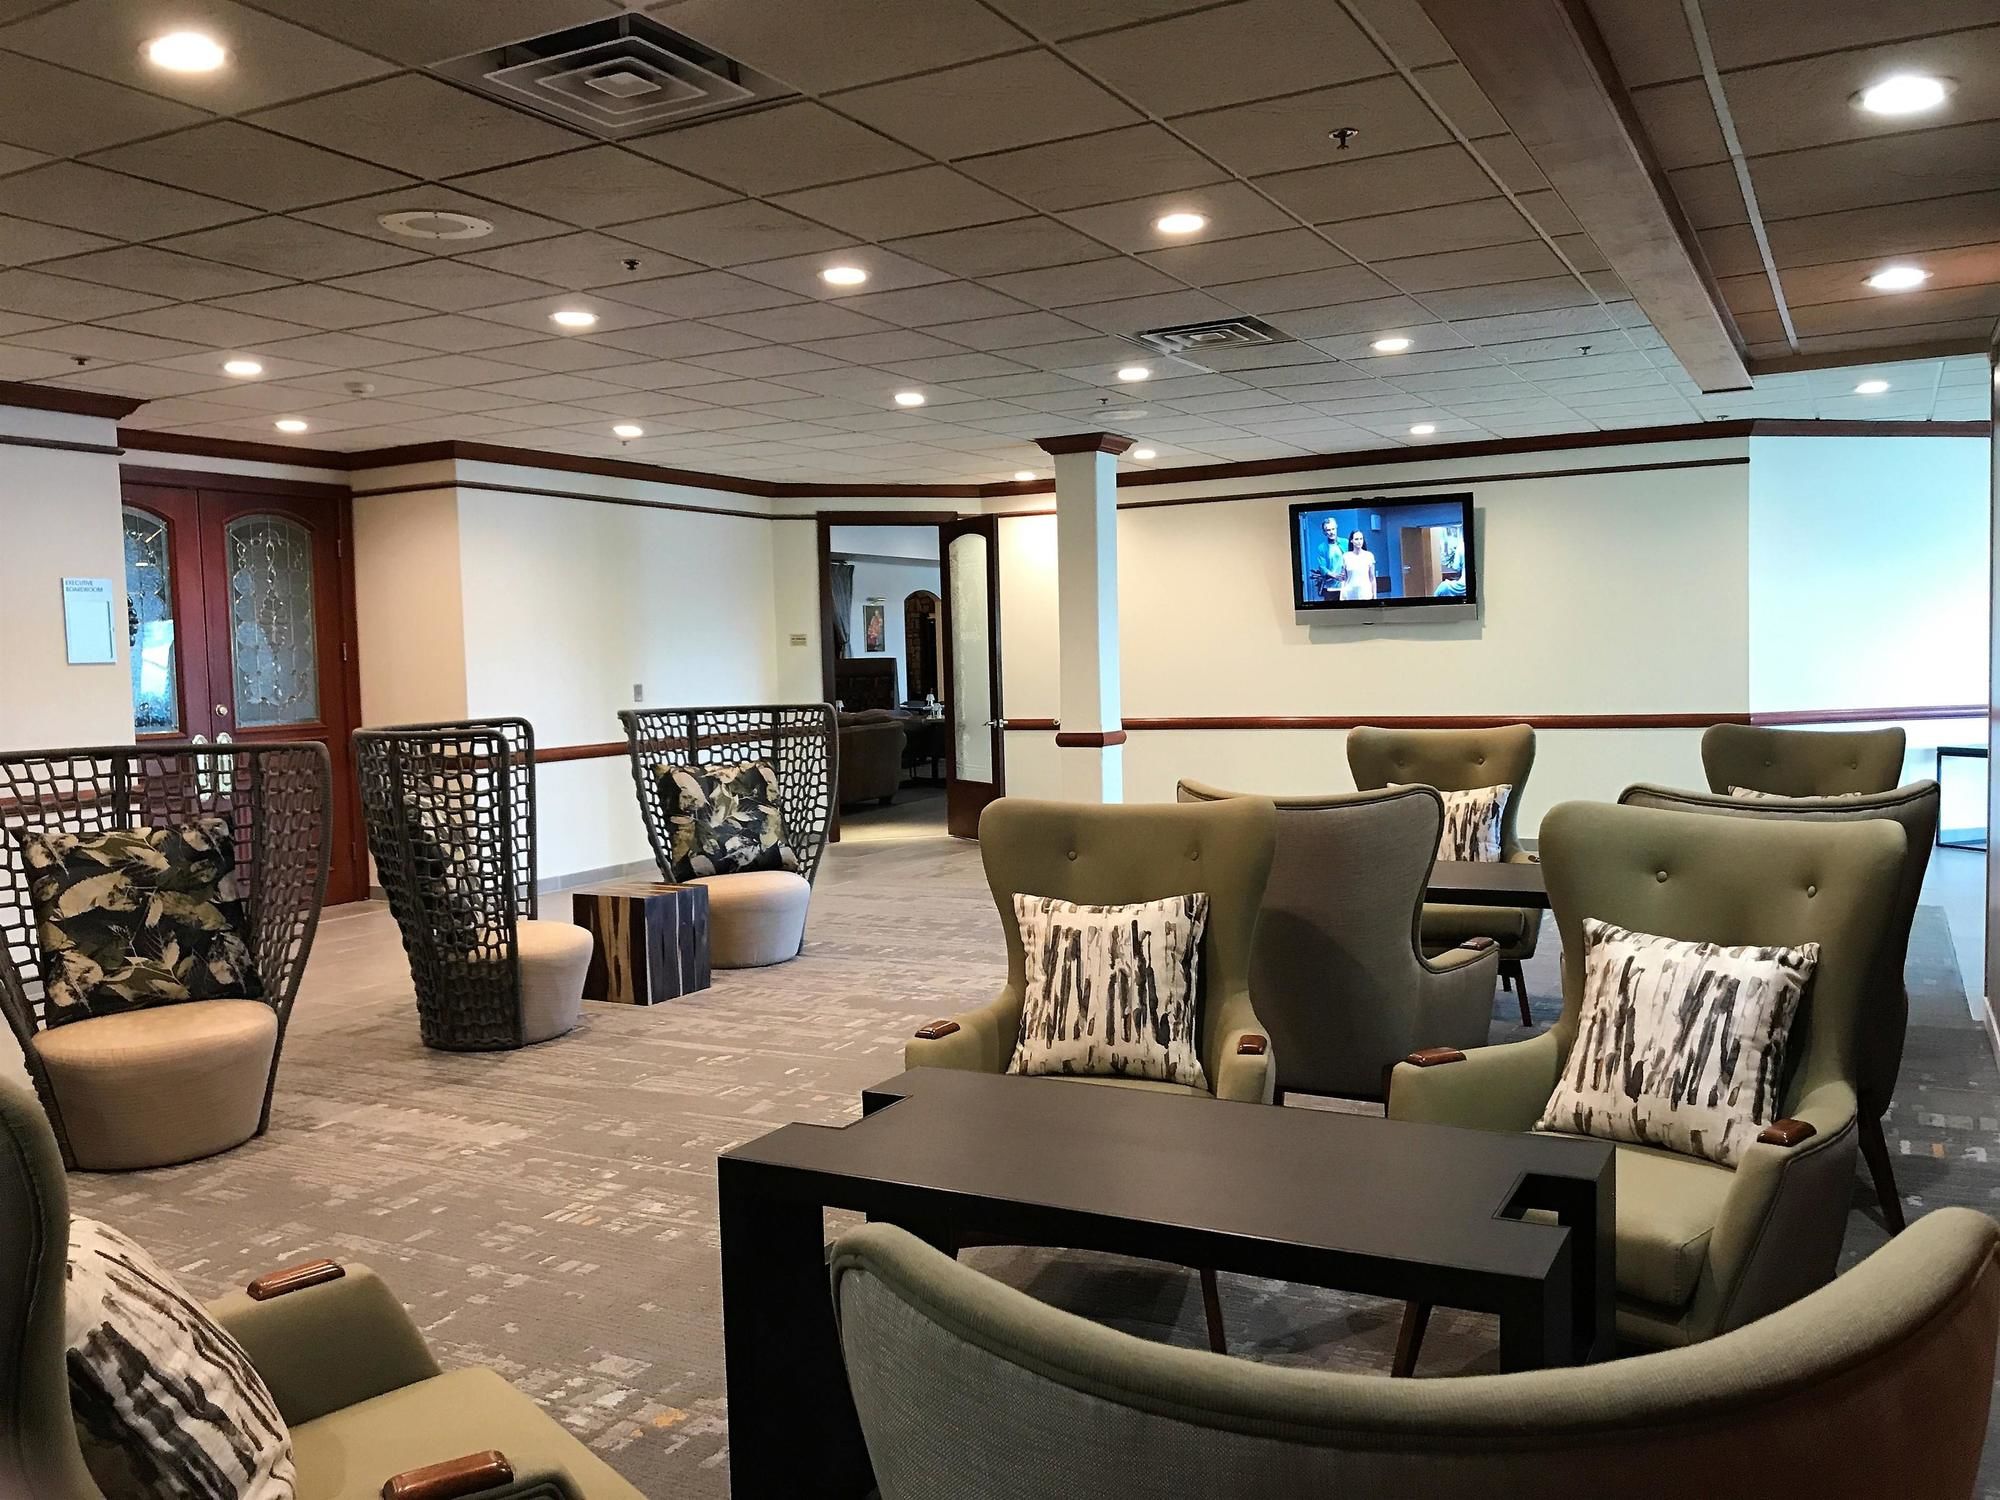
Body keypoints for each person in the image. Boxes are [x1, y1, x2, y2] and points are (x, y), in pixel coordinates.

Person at [1336, 529, 1377, 600]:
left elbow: (1372, 578)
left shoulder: (1369, 556)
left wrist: (1375, 596)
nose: (1359, 541)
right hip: (1350, 594)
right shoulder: (1346, 557)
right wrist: (1342, 596)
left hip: (1365, 594)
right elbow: (1344, 579)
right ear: (1352, 541)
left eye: (1361, 539)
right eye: (1356, 539)